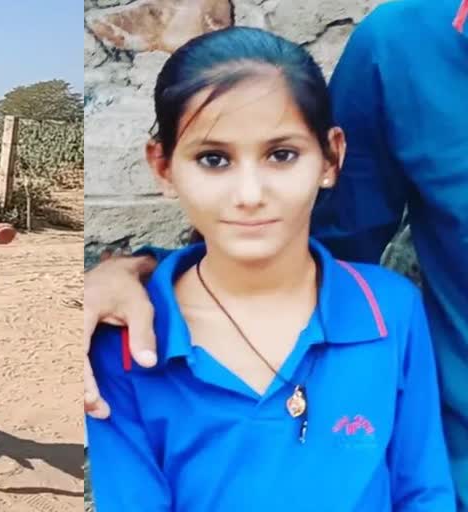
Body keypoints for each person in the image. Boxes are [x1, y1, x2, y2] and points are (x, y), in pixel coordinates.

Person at [87, 2, 468, 508]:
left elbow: (421, 489)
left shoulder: (392, 314)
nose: (250, 192)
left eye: (282, 155)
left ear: (331, 157)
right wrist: (139, 273)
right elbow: (321, 237)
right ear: (163, 167)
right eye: (213, 159)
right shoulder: (131, 347)